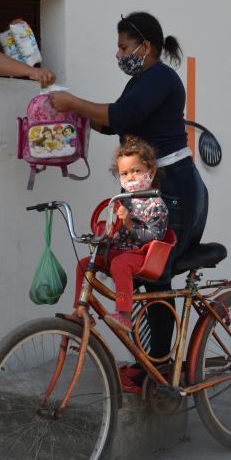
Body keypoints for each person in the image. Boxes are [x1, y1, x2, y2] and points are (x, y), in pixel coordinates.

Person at [50, 12, 208, 380]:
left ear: (145, 46)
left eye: (123, 46)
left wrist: (73, 103)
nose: (119, 53)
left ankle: (158, 364)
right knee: (139, 274)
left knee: (154, 274)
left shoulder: (161, 79)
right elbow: (112, 123)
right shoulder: (142, 80)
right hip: (148, 191)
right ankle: (153, 363)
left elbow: (122, 116)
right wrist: (66, 112)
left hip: (174, 191)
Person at [72, 137, 168, 333]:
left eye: (136, 171)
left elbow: (155, 237)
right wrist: (107, 235)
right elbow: (119, 233)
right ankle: (80, 310)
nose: (130, 177)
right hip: (122, 252)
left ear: (151, 171)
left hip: (143, 255)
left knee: (120, 264)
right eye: (124, 173)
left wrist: (129, 223)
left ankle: (125, 316)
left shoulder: (156, 204)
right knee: (84, 264)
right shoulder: (124, 202)